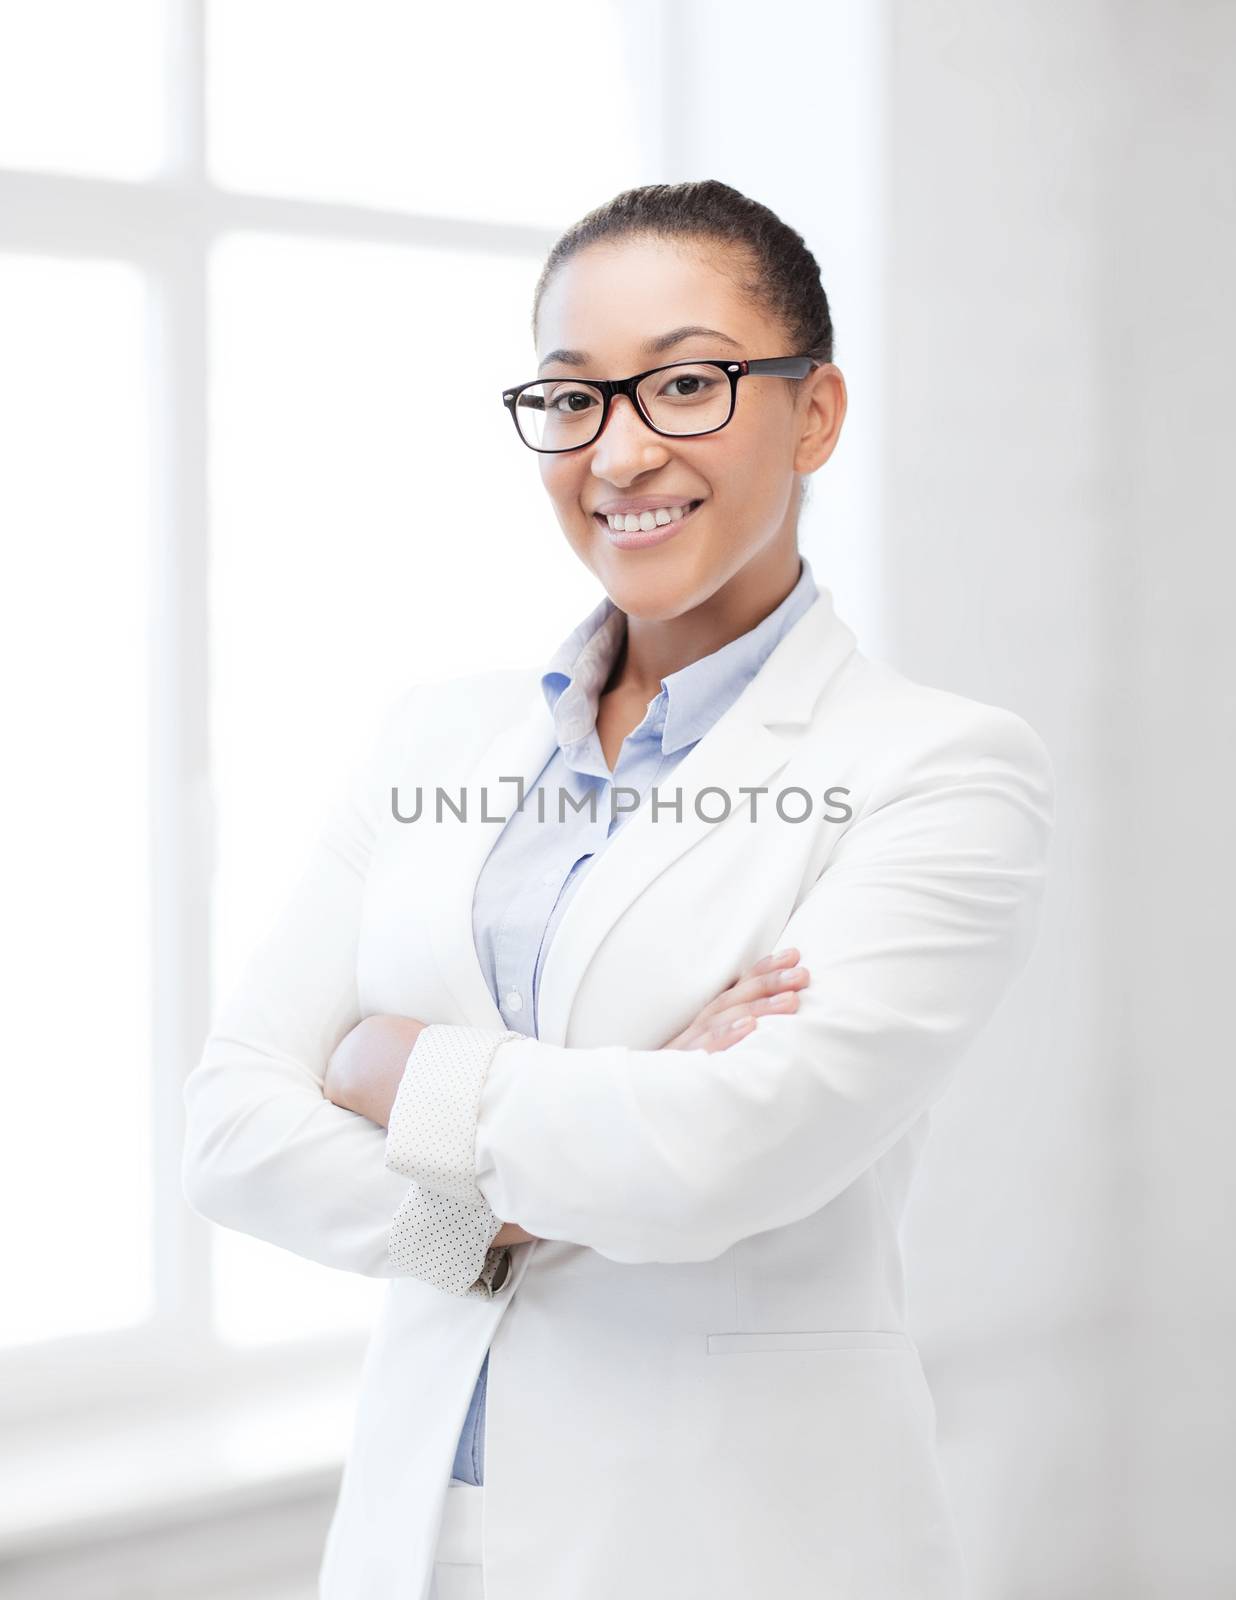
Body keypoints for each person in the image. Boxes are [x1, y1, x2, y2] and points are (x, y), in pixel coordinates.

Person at [181, 179, 1055, 1600]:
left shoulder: (941, 771)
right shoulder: (436, 739)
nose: (622, 451)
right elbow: (229, 1134)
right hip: (414, 1543)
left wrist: (396, 1065)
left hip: (729, 1551)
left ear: (814, 413)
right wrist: (540, 1172)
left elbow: (723, 1157)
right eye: (574, 399)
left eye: (689, 384)